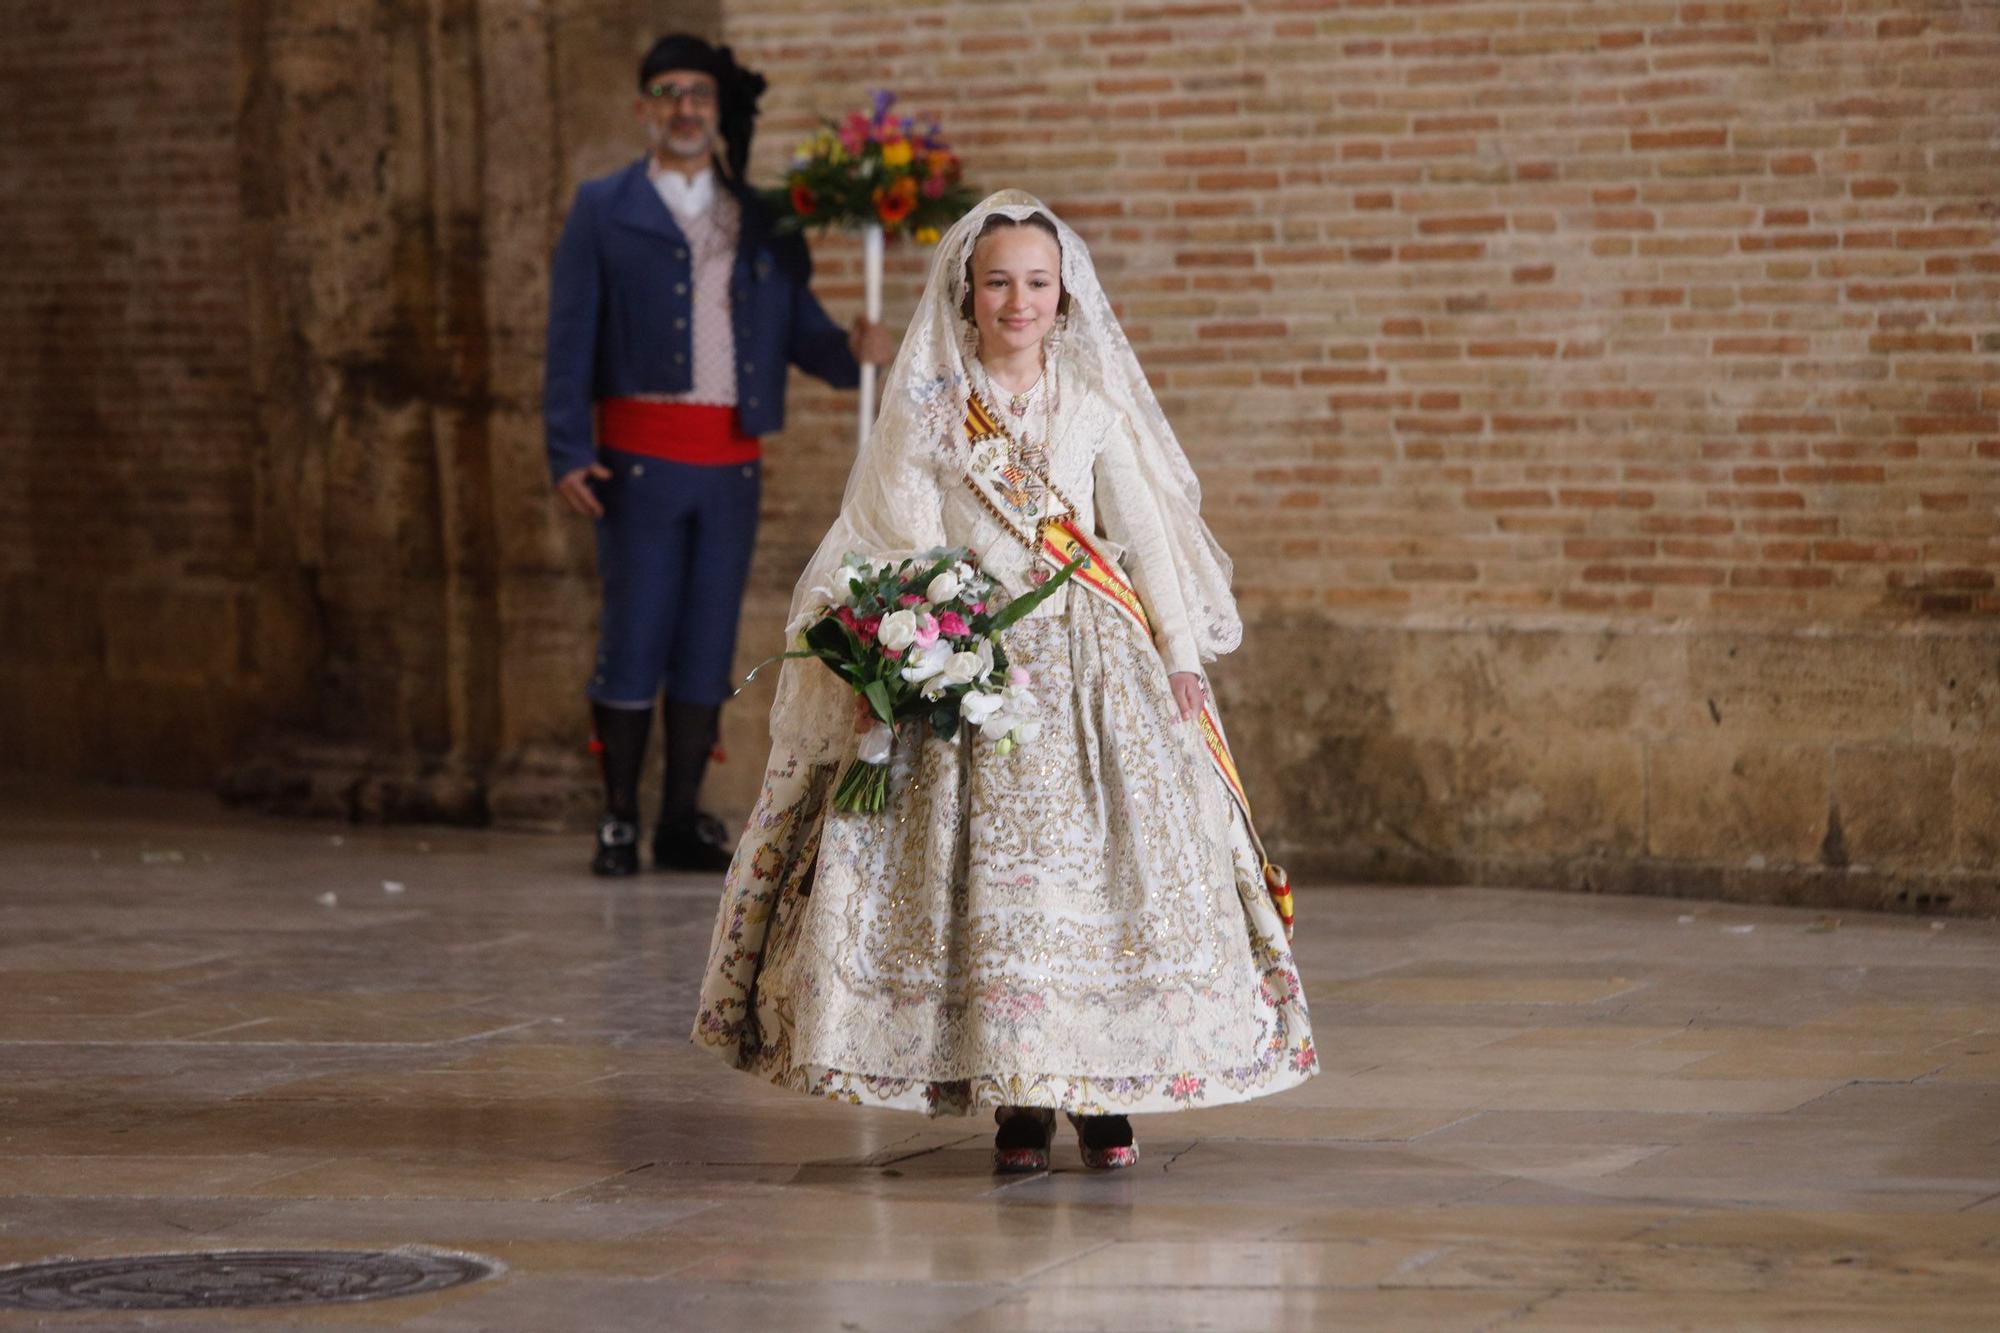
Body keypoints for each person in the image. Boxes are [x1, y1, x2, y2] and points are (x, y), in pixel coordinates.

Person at [690, 191, 1315, 1172]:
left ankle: (1105, 1095)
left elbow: (1144, 538)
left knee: (1107, 886)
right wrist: (911, 642)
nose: (1016, 301)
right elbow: (894, 535)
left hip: (1095, 673)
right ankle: (1016, 1098)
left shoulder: (1093, 406)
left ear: (1062, 297)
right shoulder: (932, 411)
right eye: (997, 283)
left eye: (1036, 282)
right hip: (972, 667)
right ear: (966, 293)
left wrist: (1182, 660)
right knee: (992, 895)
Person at [543, 33, 894, 876]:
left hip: (731, 465)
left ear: (716, 107)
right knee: (635, 633)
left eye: (699, 93)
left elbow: (800, 329)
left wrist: (857, 351)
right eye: (667, 92)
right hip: (635, 460)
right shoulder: (603, 206)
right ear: (644, 109)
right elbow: (569, 336)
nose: (685, 108)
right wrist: (566, 447)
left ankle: (680, 818)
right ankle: (619, 816)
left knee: (707, 639)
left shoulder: (760, 218)